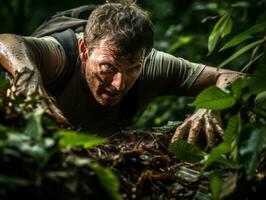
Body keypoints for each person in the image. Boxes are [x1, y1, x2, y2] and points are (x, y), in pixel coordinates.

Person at [0, 0, 244, 150]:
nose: (119, 84)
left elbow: (233, 77)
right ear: (85, 50)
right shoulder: (62, 55)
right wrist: (27, 74)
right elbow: (7, 42)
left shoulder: (152, 65)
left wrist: (212, 106)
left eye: (133, 70)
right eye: (108, 67)